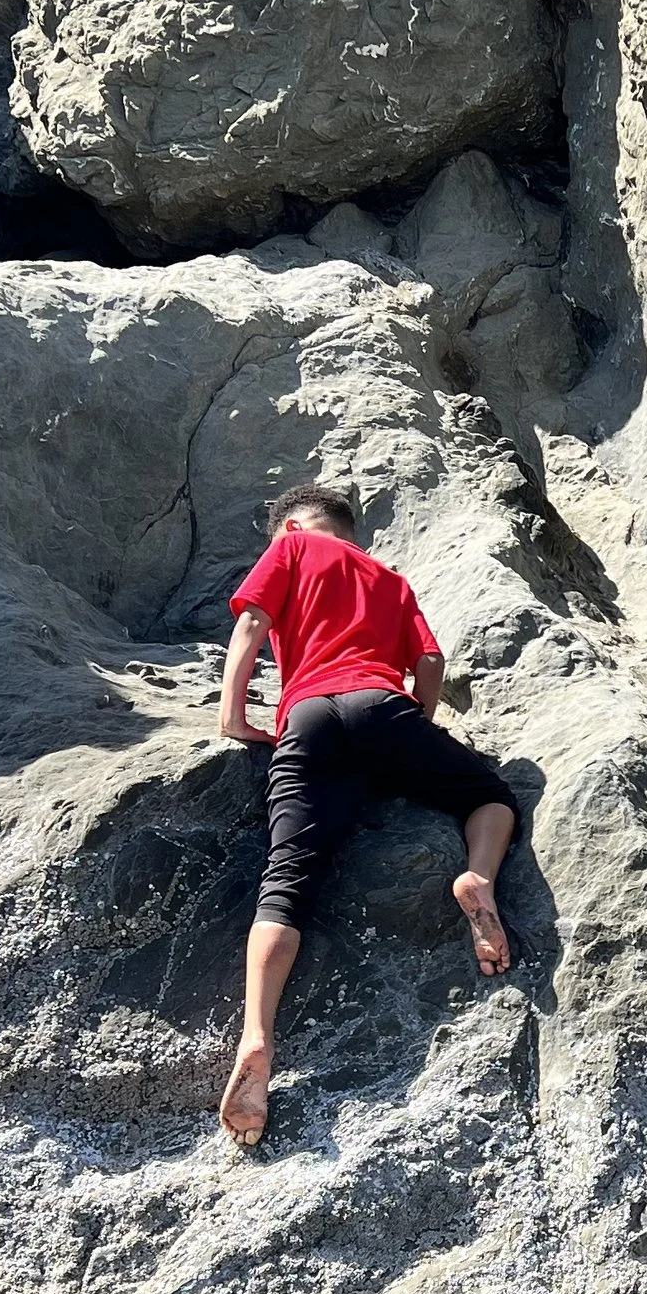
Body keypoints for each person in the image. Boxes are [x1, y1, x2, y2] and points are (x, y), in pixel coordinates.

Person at [215, 484, 518, 1145]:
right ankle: (480, 880)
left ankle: (257, 1038)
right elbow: (430, 663)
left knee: (287, 880)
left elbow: (251, 623)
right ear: (351, 533)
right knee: (489, 798)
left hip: (309, 717)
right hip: (385, 708)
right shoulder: (389, 576)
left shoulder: (292, 546)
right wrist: (413, 732)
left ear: (292, 526)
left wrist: (234, 710)